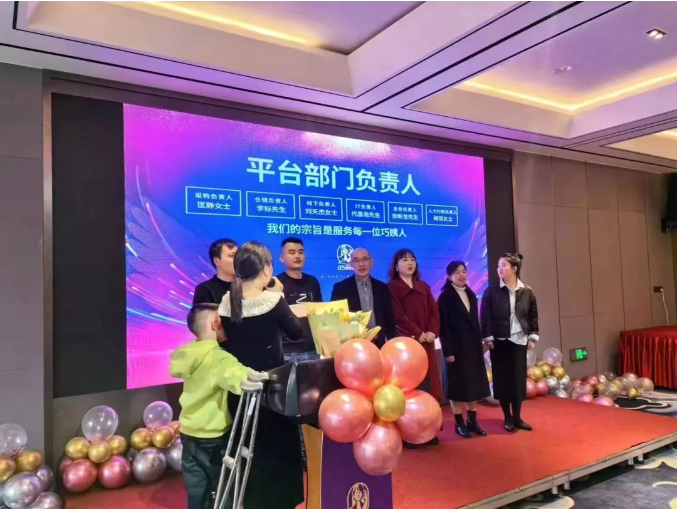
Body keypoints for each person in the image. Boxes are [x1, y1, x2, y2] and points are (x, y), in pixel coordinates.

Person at [219, 241, 305, 508]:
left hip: (240, 389)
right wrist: (278, 294)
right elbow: (296, 332)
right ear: (266, 269)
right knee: (275, 453)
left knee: (246, 450)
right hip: (271, 392)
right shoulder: (273, 300)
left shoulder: (227, 301)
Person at [169, 303, 268, 509]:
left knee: (196, 488)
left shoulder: (189, 353)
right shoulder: (217, 357)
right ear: (216, 323)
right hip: (213, 436)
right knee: (224, 486)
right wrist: (247, 377)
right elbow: (232, 372)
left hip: (188, 432)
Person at [387, 248, 441, 446]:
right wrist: (418, 333)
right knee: (409, 388)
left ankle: (430, 430)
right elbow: (397, 316)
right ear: (396, 266)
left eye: (412, 260)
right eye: (404, 260)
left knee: (429, 385)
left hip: (426, 343)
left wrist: (432, 332)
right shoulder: (391, 287)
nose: (409, 263)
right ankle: (409, 433)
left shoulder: (423, 286)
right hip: (406, 346)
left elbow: (434, 312)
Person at [480, 253, 539, 432]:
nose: (500, 268)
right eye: (498, 265)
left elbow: (533, 315)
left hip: (519, 340)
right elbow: (485, 316)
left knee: (518, 380)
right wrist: (488, 337)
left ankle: (517, 417)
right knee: (502, 379)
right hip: (499, 340)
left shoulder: (526, 291)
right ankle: (507, 417)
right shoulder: (492, 291)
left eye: (504, 265)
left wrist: (532, 336)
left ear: (514, 269)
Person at [438, 261, 490, 439]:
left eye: (463, 271)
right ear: (449, 276)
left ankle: (472, 421)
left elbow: (475, 321)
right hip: (455, 349)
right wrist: (448, 351)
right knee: (456, 386)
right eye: (457, 272)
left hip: (472, 347)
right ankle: (459, 423)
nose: (461, 275)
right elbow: (443, 327)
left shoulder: (471, 294)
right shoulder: (445, 297)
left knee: (473, 385)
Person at [330, 247, 397, 348]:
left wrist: (392, 345)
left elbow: (389, 319)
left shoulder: (382, 288)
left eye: (365, 259)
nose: (361, 264)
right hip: (352, 345)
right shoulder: (340, 288)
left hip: (378, 344)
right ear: (350, 264)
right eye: (356, 260)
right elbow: (336, 320)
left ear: (371, 262)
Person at [276, 237, 323, 362]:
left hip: (313, 348)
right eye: (292, 252)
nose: (297, 256)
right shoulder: (276, 283)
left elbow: (320, 313)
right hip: (288, 351)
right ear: (282, 258)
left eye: (300, 252)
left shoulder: (313, 281)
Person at [192, 239, 238, 305]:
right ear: (217, 261)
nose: (238, 259)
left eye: (238, 255)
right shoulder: (205, 289)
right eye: (232, 256)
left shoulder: (246, 286)